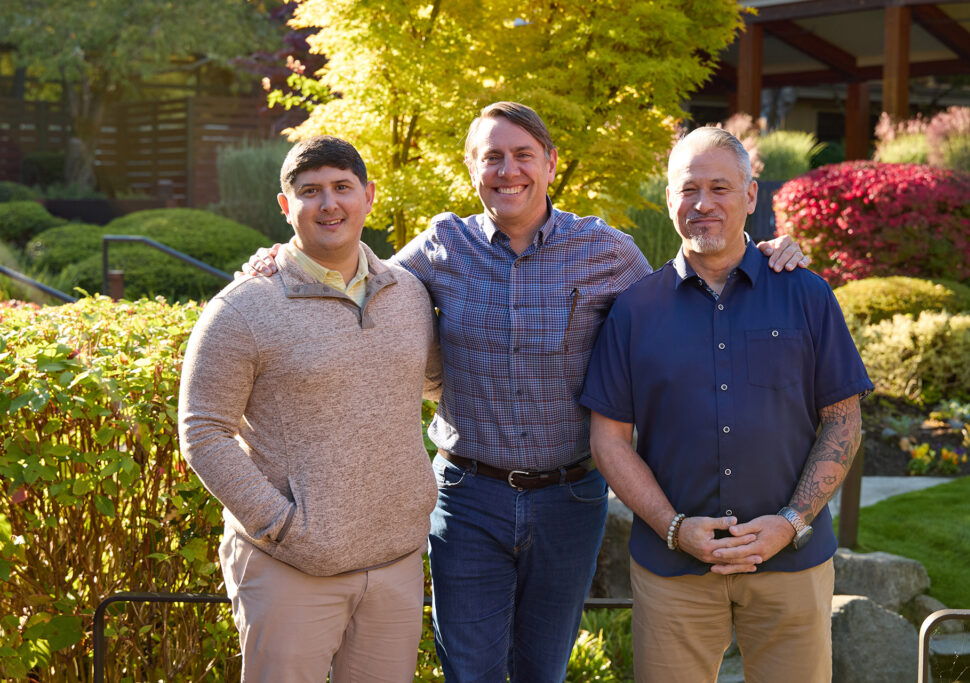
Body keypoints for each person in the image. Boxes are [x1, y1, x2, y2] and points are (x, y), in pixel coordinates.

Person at [244, 102, 809, 682]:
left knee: (544, 671)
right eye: (492, 157)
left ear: (550, 164)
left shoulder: (607, 252)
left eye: (523, 155)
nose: (507, 170)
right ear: (472, 168)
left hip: (570, 500)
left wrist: (761, 253)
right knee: (471, 672)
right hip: (467, 499)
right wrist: (283, 259)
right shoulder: (442, 246)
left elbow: (689, 295)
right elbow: (360, 282)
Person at [580, 126, 874, 683]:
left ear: (751, 195)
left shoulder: (806, 294)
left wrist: (790, 523)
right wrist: (674, 528)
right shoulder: (634, 310)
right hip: (672, 570)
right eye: (689, 189)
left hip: (791, 564)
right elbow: (608, 440)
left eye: (720, 188)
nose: (703, 204)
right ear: (669, 198)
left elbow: (843, 421)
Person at [178, 135, 442, 682]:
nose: (329, 204)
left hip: (395, 563)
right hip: (290, 568)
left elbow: (437, 384)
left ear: (369, 196)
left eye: (343, 187)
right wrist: (281, 526)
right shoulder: (243, 308)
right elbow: (203, 431)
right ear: (285, 205)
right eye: (310, 191)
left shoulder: (410, 294)